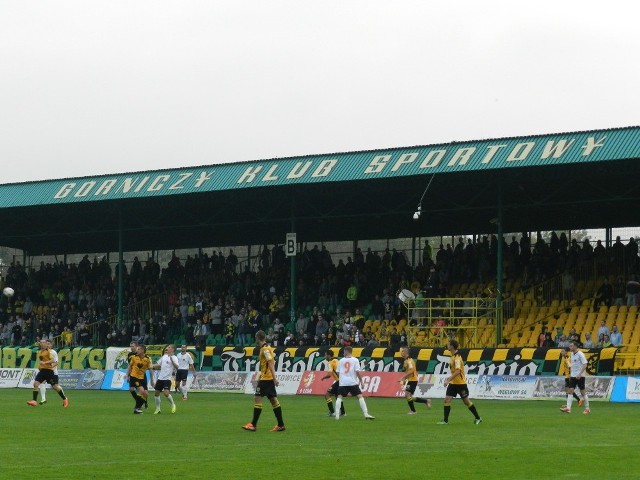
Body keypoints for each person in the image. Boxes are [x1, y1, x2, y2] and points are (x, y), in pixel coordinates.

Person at [242, 330, 286, 432]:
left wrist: (275, 378)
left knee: (257, 397)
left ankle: (253, 424)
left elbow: (270, 363)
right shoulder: (268, 348)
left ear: (257, 338)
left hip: (266, 378)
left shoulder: (265, 349)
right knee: (273, 400)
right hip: (268, 378)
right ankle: (281, 425)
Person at [438, 340, 481, 425]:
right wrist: (450, 379)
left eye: (449, 344)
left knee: (466, 402)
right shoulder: (452, 357)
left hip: (461, 384)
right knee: (447, 400)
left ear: (452, 346)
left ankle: (478, 418)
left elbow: (457, 371)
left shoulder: (457, 358)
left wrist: (448, 380)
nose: (447, 345)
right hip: (453, 384)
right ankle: (445, 421)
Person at [334, 345, 375, 420]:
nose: (343, 353)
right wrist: (361, 382)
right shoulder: (355, 360)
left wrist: (342, 378)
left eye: (344, 351)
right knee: (359, 396)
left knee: (339, 396)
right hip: (352, 382)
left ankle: (337, 416)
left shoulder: (341, 360)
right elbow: (357, 372)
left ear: (346, 352)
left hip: (343, 382)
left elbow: (338, 372)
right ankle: (366, 414)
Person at [27, 339, 69, 408]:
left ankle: (65, 399)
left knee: (55, 386)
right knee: (36, 384)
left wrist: (45, 363)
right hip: (43, 371)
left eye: (44, 342)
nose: (43, 344)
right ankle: (34, 401)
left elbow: (54, 361)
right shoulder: (40, 352)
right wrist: (40, 366)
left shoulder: (50, 352)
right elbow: (42, 361)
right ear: (40, 344)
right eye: (41, 342)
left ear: (47, 344)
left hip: (50, 371)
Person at [398, 346, 432, 414]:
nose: (402, 352)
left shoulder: (410, 361)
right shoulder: (406, 361)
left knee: (407, 395)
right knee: (408, 396)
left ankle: (413, 411)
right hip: (410, 380)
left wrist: (403, 378)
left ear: (406, 352)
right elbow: (408, 372)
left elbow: (411, 371)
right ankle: (425, 401)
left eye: (403, 351)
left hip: (413, 380)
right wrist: (405, 380)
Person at [561, 341, 591, 414]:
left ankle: (587, 409)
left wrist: (580, 374)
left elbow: (585, 364)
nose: (570, 347)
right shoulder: (572, 354)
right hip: (573, 376)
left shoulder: (580, 354)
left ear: (575, 346)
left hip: (580, 376)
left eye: (571, 346)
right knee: (570, 390)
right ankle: (568, 408)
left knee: (582, 392)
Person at [151, 344, 179, 414]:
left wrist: (172, 361)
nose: (167, 348)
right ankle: (158, 409)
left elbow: (177, 367)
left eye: (169, 347)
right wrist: (149, 366)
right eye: (167, 347)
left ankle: (173, 404)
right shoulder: (164, 356)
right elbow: (158, 365)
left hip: (167, 379)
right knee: (156, 393)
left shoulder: (174, 357)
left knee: (166, 393)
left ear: (173, 349)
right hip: (160, 378)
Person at [125, 344, 152, 414]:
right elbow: (130, 366)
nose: (137, 350)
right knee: (141, 391)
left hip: (142, 377)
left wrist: (152, 380)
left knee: (146, 394)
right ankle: (137, 408)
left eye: (139, 349)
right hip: (134, 376)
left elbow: (151, 369)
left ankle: (138, 406)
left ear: (143, 350)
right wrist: (127, 375)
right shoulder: (134, 357)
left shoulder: (148, 359)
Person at [321, 350, 345, 417]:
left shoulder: (330, 362)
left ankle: (332, 412)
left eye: (325, 355)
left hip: (339, 381)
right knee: (338, 396)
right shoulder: (337, 360)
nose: (324, 356)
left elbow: (329, 374)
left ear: (329, 355)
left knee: (327, 395)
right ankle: (343, 413)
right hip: (343, 380)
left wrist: (323, 378)